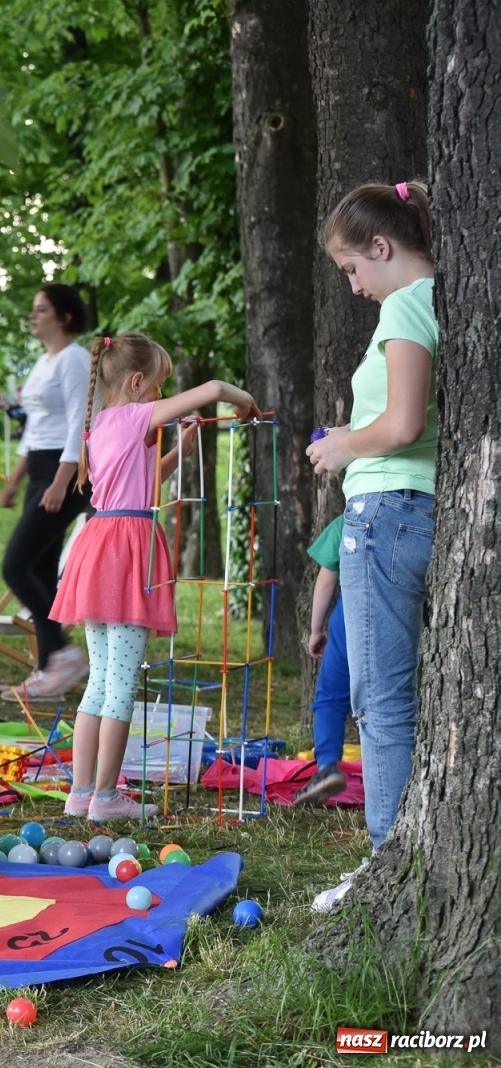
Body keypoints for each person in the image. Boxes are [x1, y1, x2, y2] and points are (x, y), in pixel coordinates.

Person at [50, 333, 257, 822]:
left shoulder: (102, 423)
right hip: (126, 550)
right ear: (138, 383)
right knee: (120, 684)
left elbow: (140, 485)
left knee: (100, 681)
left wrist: (181, 450)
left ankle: (82, 791)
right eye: (161, 386)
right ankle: (106, 798)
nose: (164, 397)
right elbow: (209, 390)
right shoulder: (136, 415)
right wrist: (241, 398)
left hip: (100, 542)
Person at [305, 180, 437, 911]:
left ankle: (386, 865)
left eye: (353, 268)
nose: (354, 286)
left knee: (381, 701)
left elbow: (404, 424)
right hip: (408, 510)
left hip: (387, 513)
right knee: (390, 695)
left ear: (382, 248)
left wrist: (341, 448)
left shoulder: (406, 304)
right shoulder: (439, 299)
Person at [0, 284, 94, 702]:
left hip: (63, 473)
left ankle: (64, 655)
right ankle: (48, 668)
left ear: (65, 317)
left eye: (41, 310)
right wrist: (15, 480)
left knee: (15, 566)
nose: (33, 316)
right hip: (39, 469)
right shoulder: (42, 362)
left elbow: (80, 425)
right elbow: (32, 430)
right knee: (38, 568)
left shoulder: (75, 360)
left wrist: (60, 481)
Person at [295, 513, 352, 807]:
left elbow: (326, 583)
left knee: (330, 698)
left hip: (352, 610)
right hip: (403, 609)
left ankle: (328, 765)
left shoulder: (346, 522)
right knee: (393, 702)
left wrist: (317, 629)